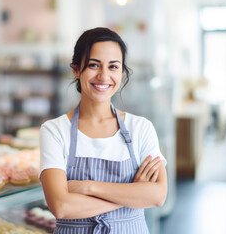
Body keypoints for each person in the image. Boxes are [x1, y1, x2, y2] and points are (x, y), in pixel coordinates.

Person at [39, 27, 167, 234]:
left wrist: (87, 187)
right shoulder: (54, 131)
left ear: (122, 72)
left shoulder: (141, 128)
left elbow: (157, 196)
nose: (104, 75)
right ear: (76, 69)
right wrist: (131, 195)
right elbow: (61, 206)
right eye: (93, 65)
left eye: (113, 66)